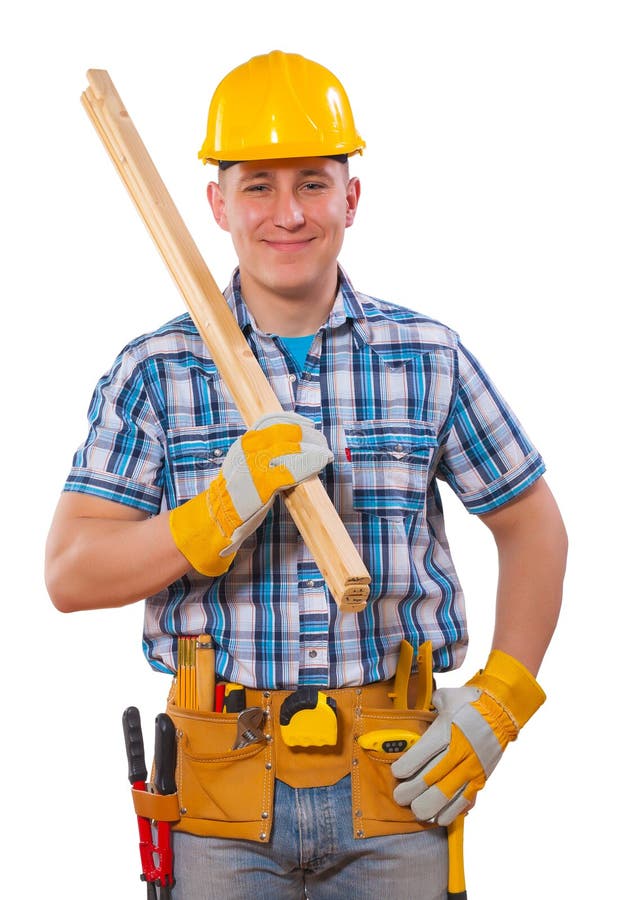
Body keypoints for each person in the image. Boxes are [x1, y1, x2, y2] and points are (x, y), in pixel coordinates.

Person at [45, 50, 567, 899]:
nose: (287, 213)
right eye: (257, 185)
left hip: (396, 784)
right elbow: (70, 574)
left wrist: (504, 697)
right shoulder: (156, 370)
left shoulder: (428, 358)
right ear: (218, 203)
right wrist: (219, 509)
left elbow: (532, 523)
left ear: (350, 197)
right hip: (219, 793)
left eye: (313, 183)